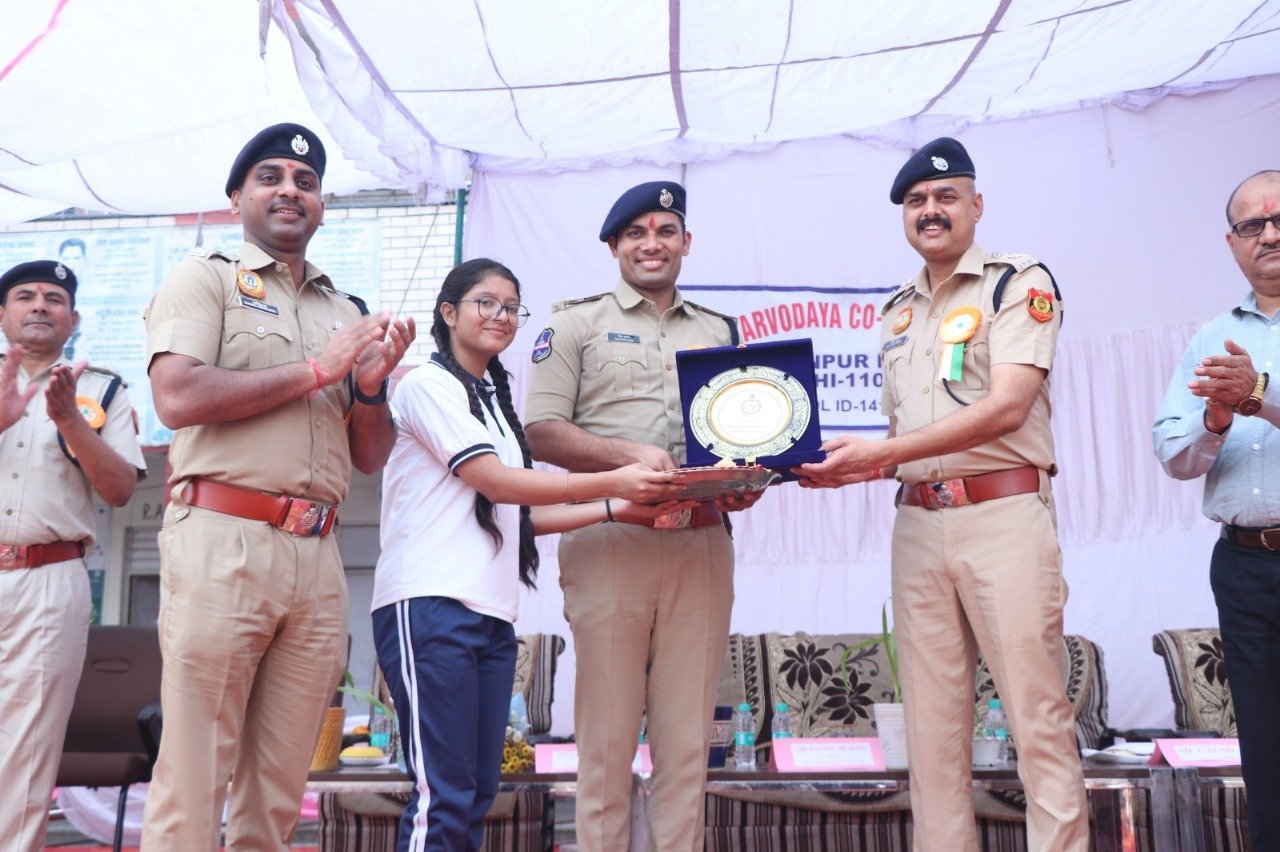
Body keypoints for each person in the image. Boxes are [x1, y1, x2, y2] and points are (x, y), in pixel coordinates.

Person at [793, 138, 1087, 850]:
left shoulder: (1016, 282)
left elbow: (1009, 406)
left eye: (945, 196)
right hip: (919, 527)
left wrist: (883, 452)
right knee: (931, 732)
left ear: (976, 206)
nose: (931, 210)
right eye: (917, 202)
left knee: (1036, 718)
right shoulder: (896, 312)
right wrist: (839, 466)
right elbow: (904, 441)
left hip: (1003, 516)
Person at [139, 123, 415, 850]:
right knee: (195, 773)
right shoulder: (206, 276)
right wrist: (319, 371)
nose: (290, 190)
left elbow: (369, 456)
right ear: (238, 197)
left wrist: (373, 387)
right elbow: (178, 397)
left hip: (317, 557)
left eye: (305, 181)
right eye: (270, 177)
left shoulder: (343, 311)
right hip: (222, 539)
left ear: (321, 206)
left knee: (281, 789)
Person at [373, 257, 693, 851]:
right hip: (428, 605)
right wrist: (615, 480)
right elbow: (497, 483)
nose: (501, 315)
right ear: (448, 313)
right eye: (485, 303)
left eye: (511, 307)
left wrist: (624, 509)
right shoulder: (427, 385)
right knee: (442, 795)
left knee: (474, 791)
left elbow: (520, 514)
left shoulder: (492, 400)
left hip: (490, 614)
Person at [524, 181, 764, 852]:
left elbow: (742, 435)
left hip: (702, 545)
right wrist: (632, 455)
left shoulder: (721, 330)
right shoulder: (573, 324)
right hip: (608, 543)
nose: (651, 243)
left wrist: (748, 481)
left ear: (686, 242)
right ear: (613, 247)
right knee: (605, 742)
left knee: (687, 744)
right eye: (637, 233)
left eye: (665, 230)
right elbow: (540, 431)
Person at [1152, 168, 1280, 849]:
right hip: (1242, 564)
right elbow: (1175, 457)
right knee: (1263, 746)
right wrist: (1218, 418)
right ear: (1232, 244)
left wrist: (1259, 398)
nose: (1270, 233)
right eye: (1252, 225)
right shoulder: (1208, 339)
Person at [0, 259, 145, 852]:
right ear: (2, 314)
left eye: (54, 298)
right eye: (25, 296)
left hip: (49, 574)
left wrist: (68, 422)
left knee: (27, 748)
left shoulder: (102, 387)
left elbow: (120, 490)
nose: (40, 305)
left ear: (74, 318)